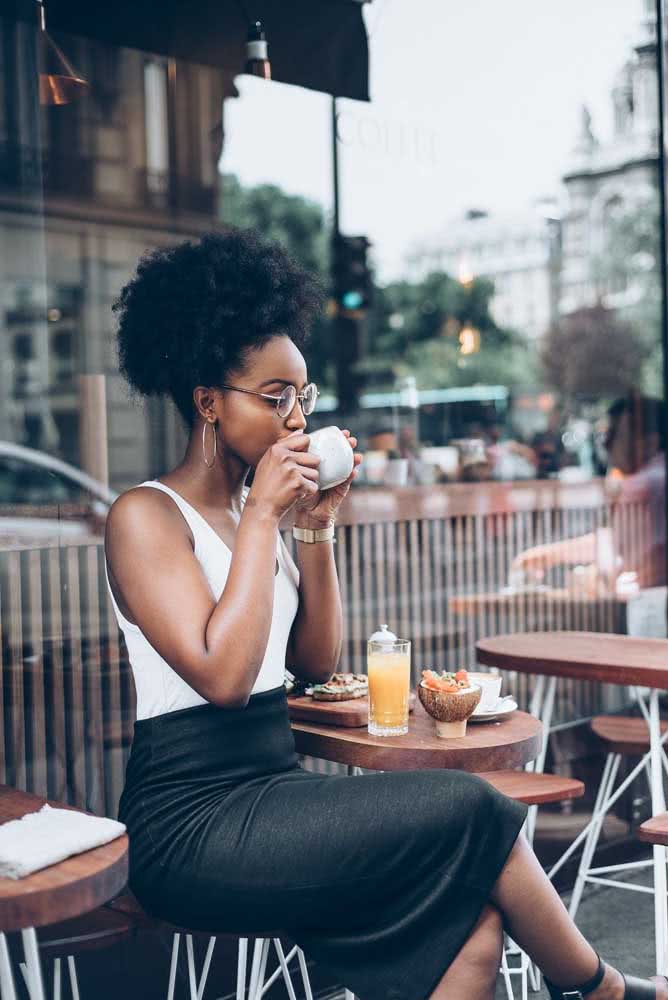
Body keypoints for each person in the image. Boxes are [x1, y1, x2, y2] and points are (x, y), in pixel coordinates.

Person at [105, 230, 665, 1000]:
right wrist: (266, 516)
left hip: (276, 792)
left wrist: (315, 529)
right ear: (208, 401)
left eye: (302, 397)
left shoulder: (256, 514)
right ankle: (602, 990)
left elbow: (311, 662)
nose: (296, 420)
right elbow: (227, 680)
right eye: (276, 400)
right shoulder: (146, 517)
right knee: (472, 804)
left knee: (473, 930)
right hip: (191, 824)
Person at [513, 395, 666, 589]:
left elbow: (624, 549)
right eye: (605, 435)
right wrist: (547, 556)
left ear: (650, 442)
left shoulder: (644, 484)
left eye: (616, 435)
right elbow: (617, 541)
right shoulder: (651, 478)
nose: (606, 444)